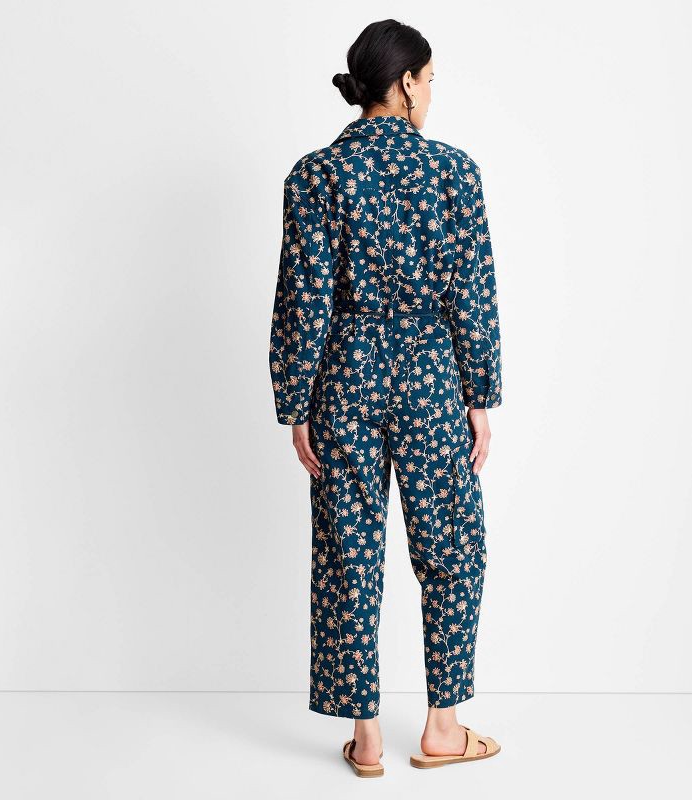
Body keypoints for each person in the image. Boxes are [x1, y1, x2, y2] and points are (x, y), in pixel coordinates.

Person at [268, 18, 503, 776]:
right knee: (451, 543)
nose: (430, 93)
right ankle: (443, 729)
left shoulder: (315, 176)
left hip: (345, 376)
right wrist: (479, 394)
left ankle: (366, 739)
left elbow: (302, 299)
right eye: (428, 79)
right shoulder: (455, 172)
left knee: (349, 550)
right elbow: (472, 295)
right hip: (433, 375)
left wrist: (295, 402)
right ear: (404, 83)